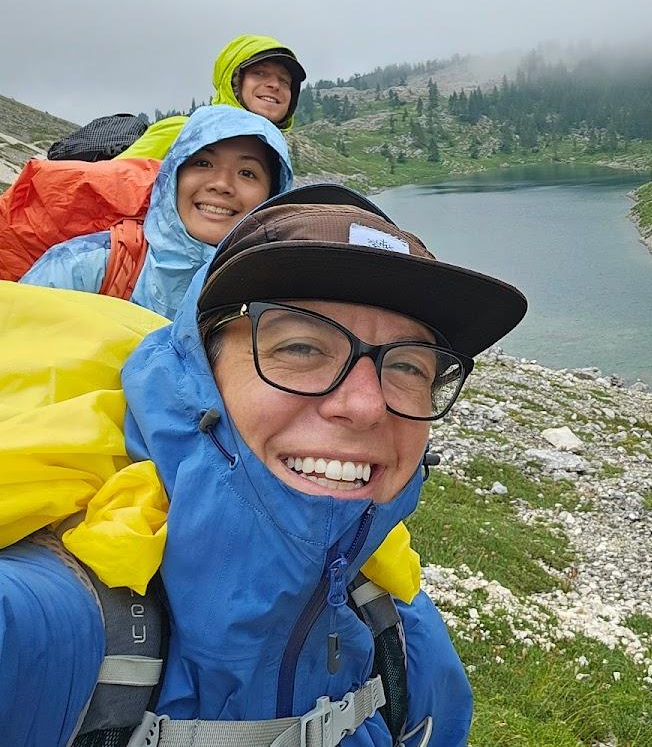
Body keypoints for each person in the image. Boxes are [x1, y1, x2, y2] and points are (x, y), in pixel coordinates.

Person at [0, 184, 528, 746]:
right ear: (196, 377)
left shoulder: (401, 631)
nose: (366, 405)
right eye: (300, 348)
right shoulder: (46, 630)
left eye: (408, 367)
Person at [21, 104, 294, 318]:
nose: (222, 184)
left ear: (272, 196)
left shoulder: (278, 298)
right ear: (172, 175)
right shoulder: (85, 265)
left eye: (247, 173)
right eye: (202, 163)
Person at [117, 34, 307, 161]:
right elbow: (106, 186)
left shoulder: (275, 154)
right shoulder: (182, 131)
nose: (275, 85)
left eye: (284, 81)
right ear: (233, 80)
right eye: (259, 73)